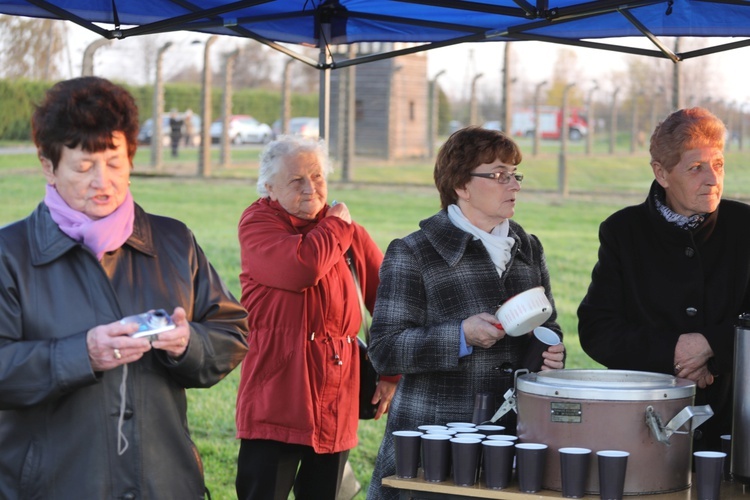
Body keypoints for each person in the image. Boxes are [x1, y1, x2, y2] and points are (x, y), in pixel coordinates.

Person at [0, 76, 249, 498]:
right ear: (48, 165)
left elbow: (232, 332)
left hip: (165, 484)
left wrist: (189, 344)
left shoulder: (174, 241)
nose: (103, 181)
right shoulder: (10, 254)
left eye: (115, 162)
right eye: (83, 166)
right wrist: (83, 354)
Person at [367, 126, 566, 499]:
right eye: (498, 174)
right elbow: (385, 348)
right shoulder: (415, 251)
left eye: (514, 174)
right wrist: (460, 335)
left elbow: (547, 323)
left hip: (514, 439)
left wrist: (551, 353)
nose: (513, 185)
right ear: (462, 185)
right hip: (434, 444)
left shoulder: (528, 248)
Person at [235, 135, 399, 500]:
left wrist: (391, 371)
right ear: (269, 188)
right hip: (276, 394)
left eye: (318, 177)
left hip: (335, 396)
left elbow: (390, 300)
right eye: (296, 180)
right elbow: (301, 269)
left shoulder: (349, 233)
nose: (310, 188)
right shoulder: (258, 224)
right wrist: (338, 227)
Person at [578, 107, 750, 452]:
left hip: (737, 427)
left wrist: (711, 345)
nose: (713, 180)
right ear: (662, 173)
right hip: (647, 430)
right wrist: (674, 351)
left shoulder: (745, 226)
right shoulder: (623, 231)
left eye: (718, 164)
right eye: (696, 168)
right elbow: (598, 329)